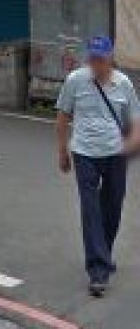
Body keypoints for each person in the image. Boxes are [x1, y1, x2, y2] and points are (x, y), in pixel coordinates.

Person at [56, 36, 140, 296]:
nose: (96, 64)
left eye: (100, 59)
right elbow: (63, 116)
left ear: (110, 58)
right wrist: (62, 151)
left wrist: (132, 143)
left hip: (116, 154)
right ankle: (98, 270)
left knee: (112, 208)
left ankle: (103, 252)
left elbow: (135, 120)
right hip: (84, 153)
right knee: (90, 210)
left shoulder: (123, 83)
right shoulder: (75, 80)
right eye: (92, 58)